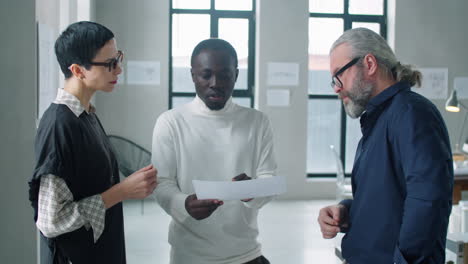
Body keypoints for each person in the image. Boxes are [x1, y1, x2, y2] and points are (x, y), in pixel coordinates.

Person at [317, 27, 453, 264]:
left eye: (340, 74)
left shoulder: (412, 113)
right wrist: (346, 211)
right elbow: (387, 198)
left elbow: (428, 203)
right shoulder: (378, 119)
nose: (337, 87)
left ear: (369, 64)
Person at [28, 21, 158, 264]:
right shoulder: (60, 126)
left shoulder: (85, 114)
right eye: (110, 64)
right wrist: (122, 191)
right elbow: (51, 221)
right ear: (78, 70)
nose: (119, 70)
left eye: (118, 58)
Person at [152, 38, 276, 264]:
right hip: (189, 256)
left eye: (225, 74)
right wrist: (184, 204)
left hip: (246, 254)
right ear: (192, 75)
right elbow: (162, 183)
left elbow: (269, 178)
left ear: (236, 75)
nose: (215, 83)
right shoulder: (170, 122)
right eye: (206, 74)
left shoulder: (257, 122)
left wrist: (251, 190)